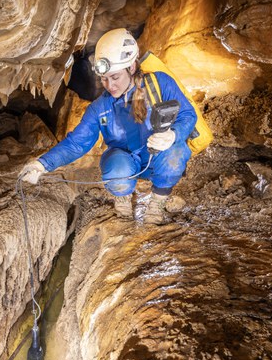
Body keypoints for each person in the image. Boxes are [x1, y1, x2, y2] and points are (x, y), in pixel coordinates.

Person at [18, 28, 197, 225]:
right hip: (125, 161)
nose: (109, 85)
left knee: (176, 152)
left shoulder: (159, 83)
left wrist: (173, 135)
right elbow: (77, 144)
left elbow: (188, 114)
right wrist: (42, 164)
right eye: (104, 79)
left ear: (131, 67)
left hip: (157, 157)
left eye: (115, 77)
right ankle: (123, 199)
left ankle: (157, 203)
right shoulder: (100, 108)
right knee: (115, 167)